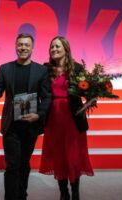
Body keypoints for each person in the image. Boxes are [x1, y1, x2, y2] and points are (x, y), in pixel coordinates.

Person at [0, 33, 51, 200]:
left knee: (24, 164)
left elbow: (47, 96)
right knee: (12, 166)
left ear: (32, 48)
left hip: (30, 126)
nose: (23, 47)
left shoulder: (41, 70)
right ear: (15, 46)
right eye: (20, 44)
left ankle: (22, 195)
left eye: (26, 45)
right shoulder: (6, 68)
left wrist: (39, 115)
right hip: (11, 126)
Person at [39, 36, 94, 200]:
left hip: (73, 119)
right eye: (52, 47)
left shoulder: (77, 68)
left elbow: (87, 91)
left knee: (74, 156)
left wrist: (91, 99)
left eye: (57, 46)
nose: (54, 49)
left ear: (66, 49)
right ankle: (64, 193)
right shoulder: (45, 69)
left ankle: (75, 193)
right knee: (58, 156)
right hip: (53, 119)